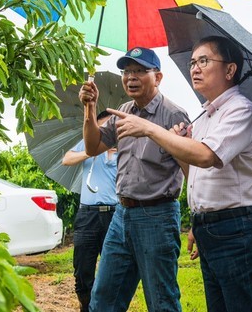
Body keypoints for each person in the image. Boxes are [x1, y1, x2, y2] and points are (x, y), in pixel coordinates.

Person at [109, 36, 252, 312]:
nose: (194, 68)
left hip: (237, 229)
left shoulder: (241, 110)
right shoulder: (206, 116)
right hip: (211, 226)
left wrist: (150, 129)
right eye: (193, 62)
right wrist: (198, 220)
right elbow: (195, 173)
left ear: (230, 70)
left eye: (204, 61)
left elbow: (206, 157)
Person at [78, 47, 189, 312]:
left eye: (140, 71)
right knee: (103, 300)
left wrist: (195, 218)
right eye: (127, 71)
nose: (131, 77)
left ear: (158, 77)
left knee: (162, 301)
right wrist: (89, 108)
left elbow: (190, 170)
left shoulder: (174, 115)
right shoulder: (123, 111)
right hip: (121, 215)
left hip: (157, 216)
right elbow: (93, 147)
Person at [61, 110, 118, 312]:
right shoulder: (88, 145)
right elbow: (66, 159)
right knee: (82, 267)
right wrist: (93, 150)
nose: (108, 131)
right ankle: (86, 306)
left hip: (115, 214)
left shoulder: (124, 151)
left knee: (113, 266)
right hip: (88, 215)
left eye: (112, 128)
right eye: (103, 128)